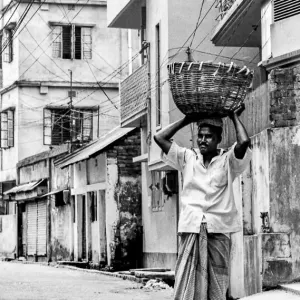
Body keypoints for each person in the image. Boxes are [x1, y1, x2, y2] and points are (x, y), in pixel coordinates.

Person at [154, 105, 252, 300]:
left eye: (208, 136)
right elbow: (160, 138)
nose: (202, 140)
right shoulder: (187, 158)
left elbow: (244, 142)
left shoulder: (228, 160)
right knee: (186, 282)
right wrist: (187, 120)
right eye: (200, 135)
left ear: (218, 139)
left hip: (218, 229)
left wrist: (233, 116)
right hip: (191, 227)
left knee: (217, 284)